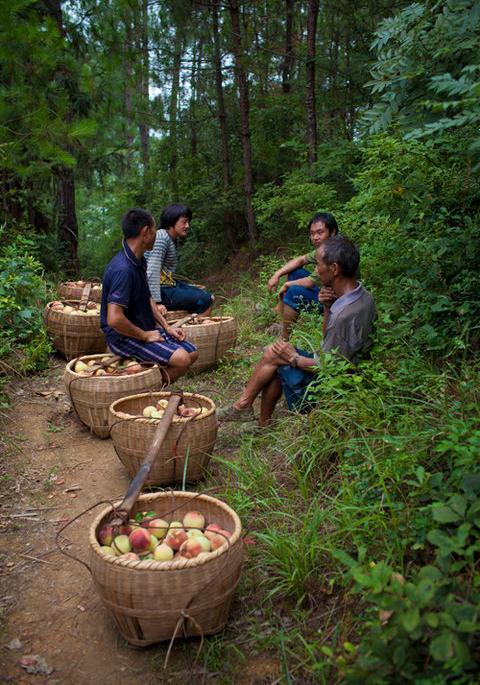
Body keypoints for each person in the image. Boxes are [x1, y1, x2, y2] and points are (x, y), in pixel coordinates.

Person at [218, 235, 376, 426]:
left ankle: (245, 409)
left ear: (334, 269)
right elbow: (331, 344)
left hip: (337, 387)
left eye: (318, 265)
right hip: (345, 370)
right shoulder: (363, 296)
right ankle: (255, 417)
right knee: (276, 354)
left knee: (276, 355)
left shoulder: (345, 314)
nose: (315, 270)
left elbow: (330, 368)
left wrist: (294, 358)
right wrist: (327, 307)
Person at [101, 208, 198, 381]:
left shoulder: (139, 260)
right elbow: (114, 319)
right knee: (182, 359)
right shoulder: (122, 269)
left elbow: (147, 298)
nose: (157, 234)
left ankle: (146, 379)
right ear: (145, 232)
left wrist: (167, 327)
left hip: (144, 328)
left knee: (192, 353)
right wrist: (145, 335)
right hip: (123, 337)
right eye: (154, 230)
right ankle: (146, 388)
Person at [267, 212, 338, 339]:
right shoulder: (323, 249)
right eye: (312, 233)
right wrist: (276, 274)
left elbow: (311, 282)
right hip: (324, 289)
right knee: (295, 272)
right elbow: (300, 260)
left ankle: (283, 339)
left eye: (320, 232)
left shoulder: (334, 253)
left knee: (293, 291)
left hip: (332, 299)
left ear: (332, 232)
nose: (315, 237)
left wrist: (287, 284)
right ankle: (281, 310)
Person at [145, 203, 214, 314]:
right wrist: (156, 302)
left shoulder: (170, 238)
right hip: (159, 289)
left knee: (207, 296)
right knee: (207, 299)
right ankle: (195, 328)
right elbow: (152, 271)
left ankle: (196, 323)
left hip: (167, 284)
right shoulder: (162, 238)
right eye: (184, 222)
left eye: (188, 222)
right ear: (172, 221)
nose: (187, 226)